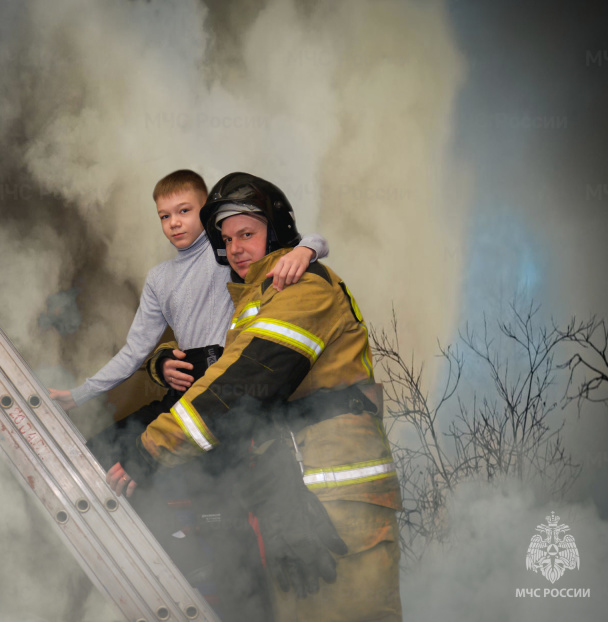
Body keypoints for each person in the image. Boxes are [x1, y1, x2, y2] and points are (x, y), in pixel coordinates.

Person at [108, 172, 403, 622]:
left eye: (247, 233)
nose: (235, 248)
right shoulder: (260, 298)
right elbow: (224, 366)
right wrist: (161, 360)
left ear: (277, 231)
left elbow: (246, 381)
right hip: (298, 496)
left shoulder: (303, 288)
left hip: (338, 502)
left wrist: (150, 450)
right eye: (226, 239)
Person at [48, 169, 329, 621]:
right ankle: (165, 548)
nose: (175, 223)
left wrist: (306, 250)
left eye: (185, 211)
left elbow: (300, 236)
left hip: (226, 399)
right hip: (183, 398)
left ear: (209, 214)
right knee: (100, 454)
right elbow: (133, 351)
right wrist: (80, 394)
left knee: (220, 510)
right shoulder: (160, 279)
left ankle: (230, 589)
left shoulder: (229, 257)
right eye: (164, 216)